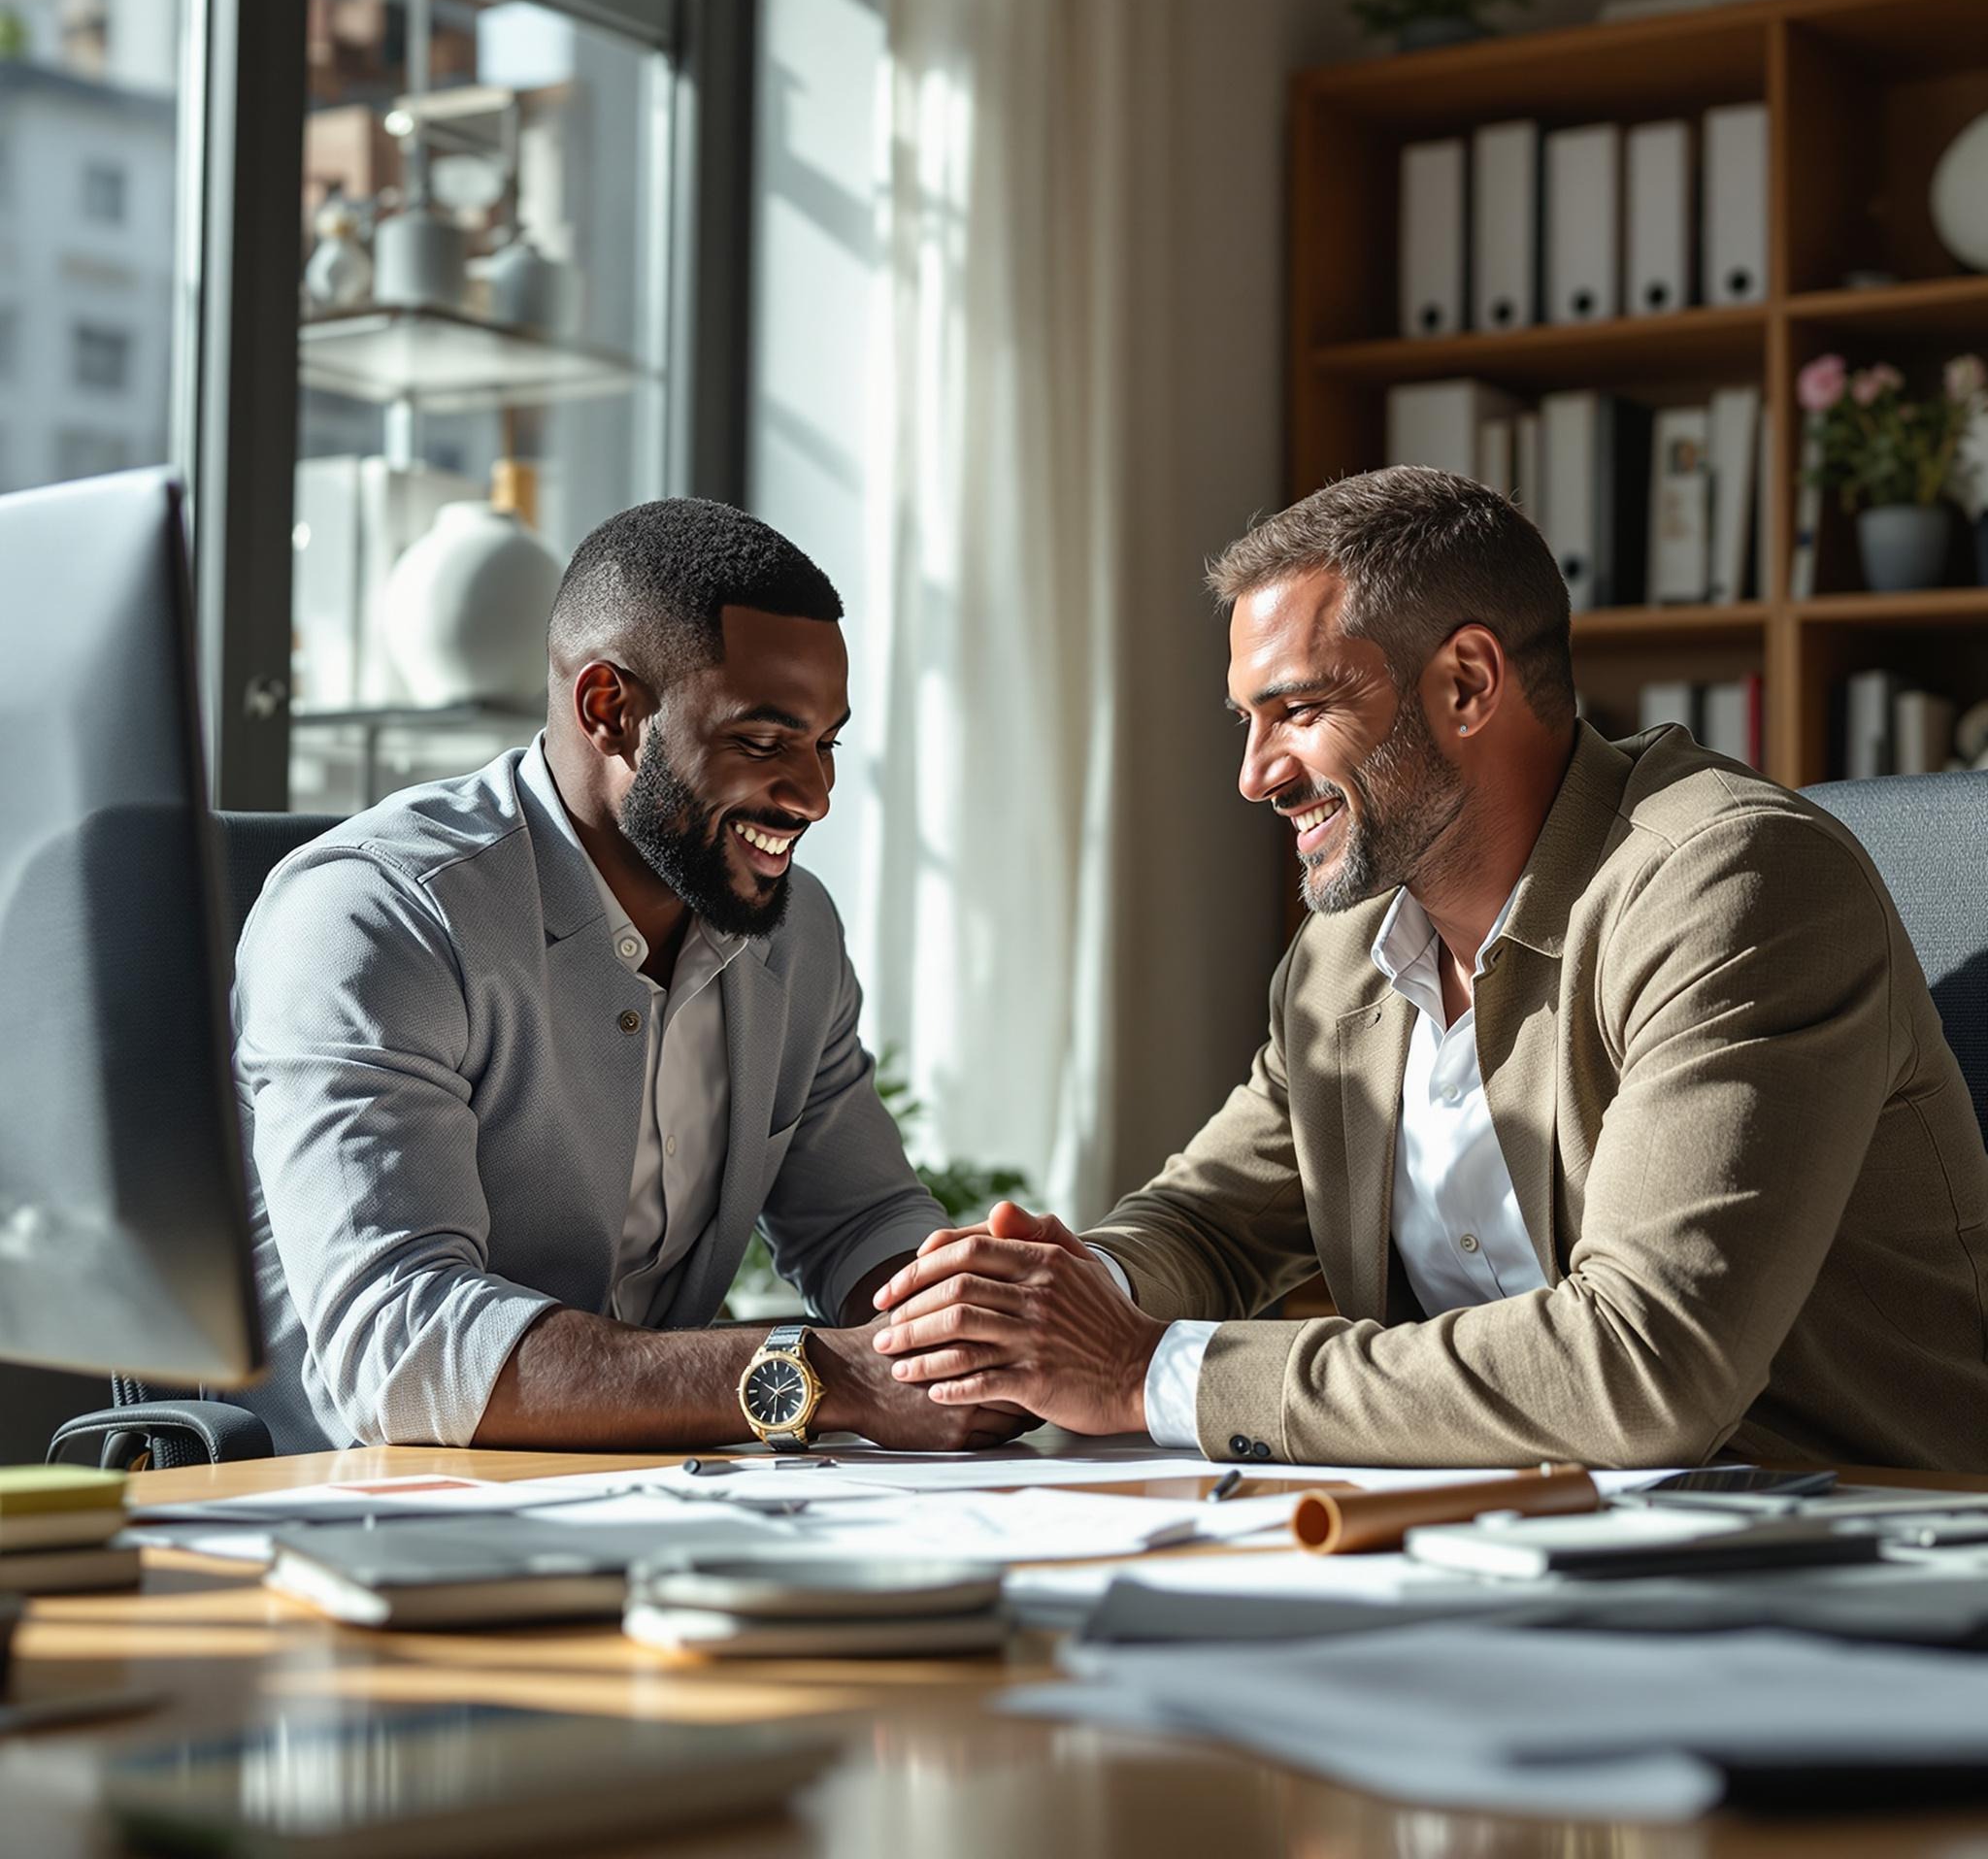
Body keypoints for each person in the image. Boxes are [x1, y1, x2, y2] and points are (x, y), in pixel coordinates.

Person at [871, 465, 1988, 1470]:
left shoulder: (1730, 884)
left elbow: (1644, 1365)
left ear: (1463, 684)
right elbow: (1214, 1222)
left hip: (1857, 1550)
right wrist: (1056, 1300)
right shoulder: (1342, 956)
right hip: (1506, 1553)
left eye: (1297, 709)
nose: (1255, 774)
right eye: (1245, 720)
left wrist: (1141, 1371)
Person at [233, 497, 1022, 1455]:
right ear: (609, 708)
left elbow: (857, 1216)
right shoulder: (376, 915)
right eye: (763, 743)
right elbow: (406, 1345)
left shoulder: (793, 930)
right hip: (349, 1509)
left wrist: (958, 1334)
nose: (813, 795)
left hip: (651, 1494)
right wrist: (838, 1374)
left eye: (826, 744)